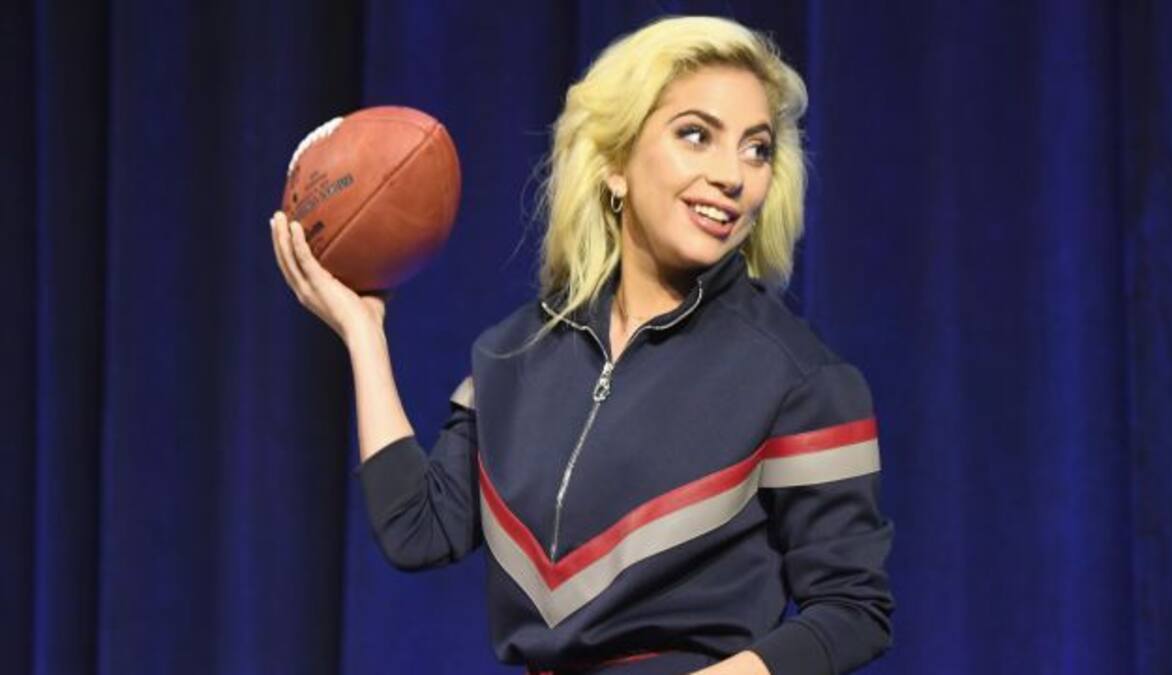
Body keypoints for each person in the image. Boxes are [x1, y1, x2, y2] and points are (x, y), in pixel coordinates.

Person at [270, 14, 893, 675]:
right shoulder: (515, 353)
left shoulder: (799, 376)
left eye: (756, 149)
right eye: (696, 135)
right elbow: (418, 529)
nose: (732, 175)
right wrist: (364, 333)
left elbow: (853, 610)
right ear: (616, 165)